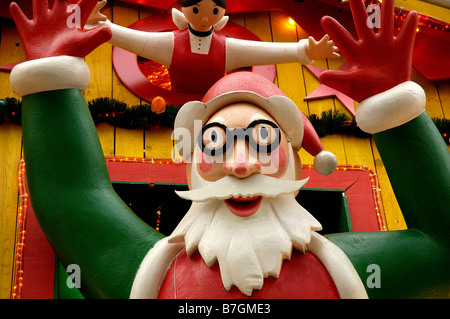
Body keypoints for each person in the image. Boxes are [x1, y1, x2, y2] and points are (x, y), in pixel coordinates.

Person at [9, 0, 450, 299]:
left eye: (262, 141)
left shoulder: (342, 273)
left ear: (295, 162)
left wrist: (395, 109)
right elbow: (74, 200)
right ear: (194, 168)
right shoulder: (155, 276)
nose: (240, 165)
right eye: (217, 144)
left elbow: (442, 246)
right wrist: (51, 81)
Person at [86, 0, 339, 93]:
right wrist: (101, 27)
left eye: (214, 10)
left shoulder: (228, 47)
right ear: (185, 10)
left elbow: (267, 52)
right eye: (197, 9)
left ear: (221, 13)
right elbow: (132, 39)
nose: (205, 16)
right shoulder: (168, 43)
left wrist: (305, 51)